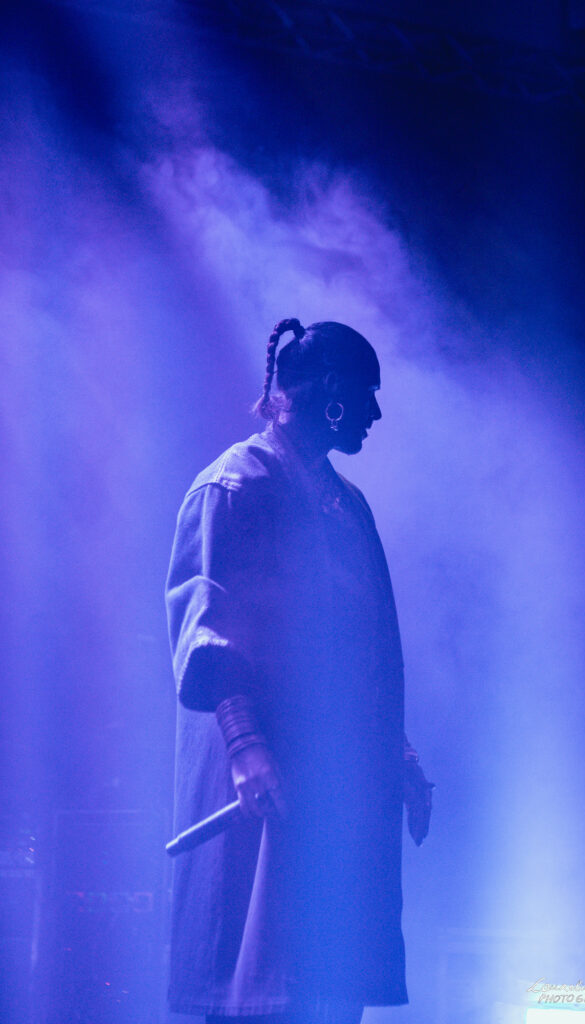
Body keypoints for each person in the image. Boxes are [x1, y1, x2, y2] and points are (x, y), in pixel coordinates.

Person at [166, 319, 433, 1024]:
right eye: (367, 394)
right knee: (263, 986)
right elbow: (210, 628)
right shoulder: (235, 486)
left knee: (330, 989)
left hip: (338, 797)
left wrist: (398, 756)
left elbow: (365, 655)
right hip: (271, 789)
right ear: (330, 394)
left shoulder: (348, 506)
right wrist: (244, 744)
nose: (376, 413)